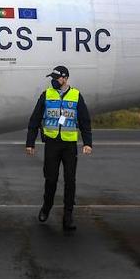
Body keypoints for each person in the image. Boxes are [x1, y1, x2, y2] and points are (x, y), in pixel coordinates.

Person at [25, 65, 92, 231]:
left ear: (65, 78)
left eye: (56, 78)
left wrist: (88, 142)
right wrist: (30, 142)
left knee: (70, 181)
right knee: (51, 179)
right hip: (52, 144)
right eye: (52, 78)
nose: (53, 81)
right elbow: (35, 119)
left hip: (69, 144)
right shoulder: (46, 94)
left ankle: (68, 216)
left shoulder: (76, 95)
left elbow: (84, 120)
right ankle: (46, 207)